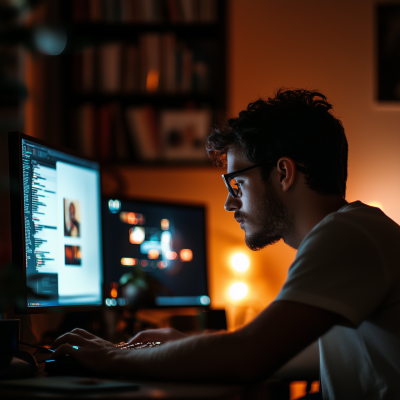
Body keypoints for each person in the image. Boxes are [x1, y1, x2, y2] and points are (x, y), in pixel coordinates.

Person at [51, 89, 400, 399]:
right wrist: (180, 343)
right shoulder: (354, 232)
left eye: (237, 185)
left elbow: (248, 357)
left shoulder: (347, 235)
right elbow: (288, 353)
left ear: (283, 173)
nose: (229, 203)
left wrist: (112, 357)